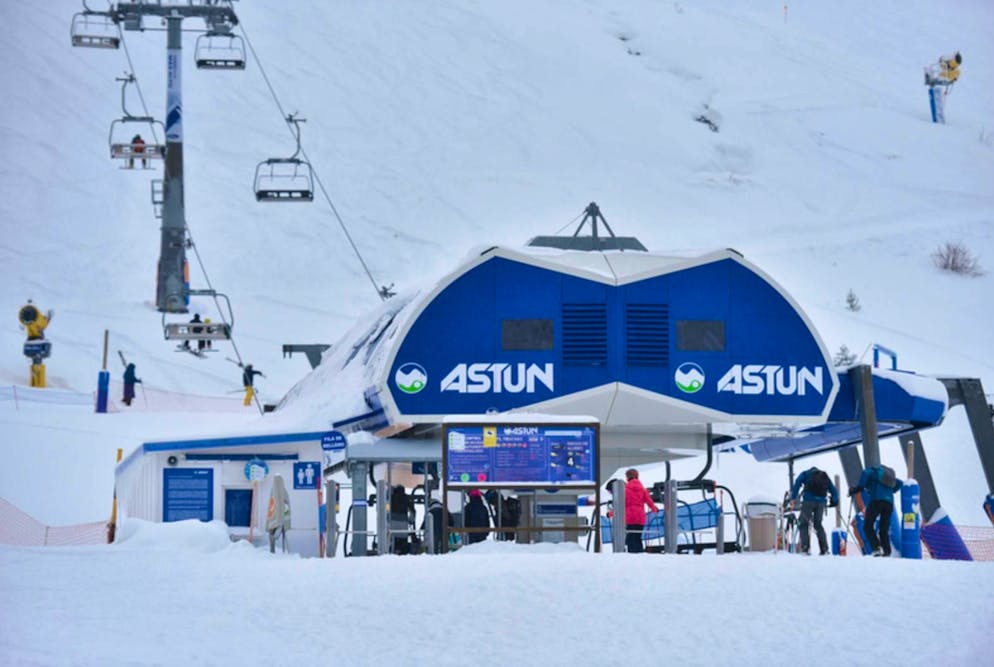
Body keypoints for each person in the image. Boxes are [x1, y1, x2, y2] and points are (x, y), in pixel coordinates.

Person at [850, 465, 904, 557]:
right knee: (884, 528)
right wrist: (891, 490)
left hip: (876, 500)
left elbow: (865, 473)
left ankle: (876, 548)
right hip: (889, 504)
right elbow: (900, 483)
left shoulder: (873, 471)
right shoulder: (888, 477)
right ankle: (887, 551)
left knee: (867, 526)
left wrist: (859, 487)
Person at [789, 466, 838, 555]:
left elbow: (797, 482)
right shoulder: (824, 476)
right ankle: (824, 549)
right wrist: (834, 501)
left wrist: (793, 498)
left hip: (808, 501)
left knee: (803, 523)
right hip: (821, 503)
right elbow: (833, 490)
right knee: (818, 525)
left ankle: (805, 548)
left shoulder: (806, 473)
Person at [624, 468, 659, 553]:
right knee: (637, 537)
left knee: (630, 537)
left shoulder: (625, 489)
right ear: (637, 476)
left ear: (627, 477)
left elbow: (620, 505)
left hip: (630, 517)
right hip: (640, 518)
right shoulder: (643, 489)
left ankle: (631, 556)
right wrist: (655, 509)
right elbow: (649, 502)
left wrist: (610, 514)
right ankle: (640, 554)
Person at [389, 485, 413, 554]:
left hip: (392, 524)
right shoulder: (406, 498)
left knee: (393, 543)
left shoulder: (391, 498)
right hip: (403, 525)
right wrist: (411, 520)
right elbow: (412, 511)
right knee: (403, 544)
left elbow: (386, 509)